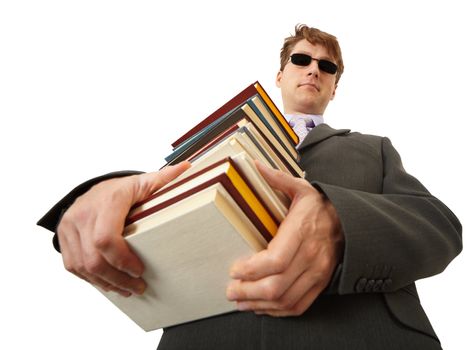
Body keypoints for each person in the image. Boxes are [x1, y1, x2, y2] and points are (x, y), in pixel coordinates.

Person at [38, 24, 462, 349]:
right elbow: (167, 198)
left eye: (327, 66)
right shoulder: (218, 138)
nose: (314, 69)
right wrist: (98, 196)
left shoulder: (374, 149)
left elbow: (439, 227)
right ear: (280, 75)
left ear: (335, 86)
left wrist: (341, 223)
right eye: (302, 60)